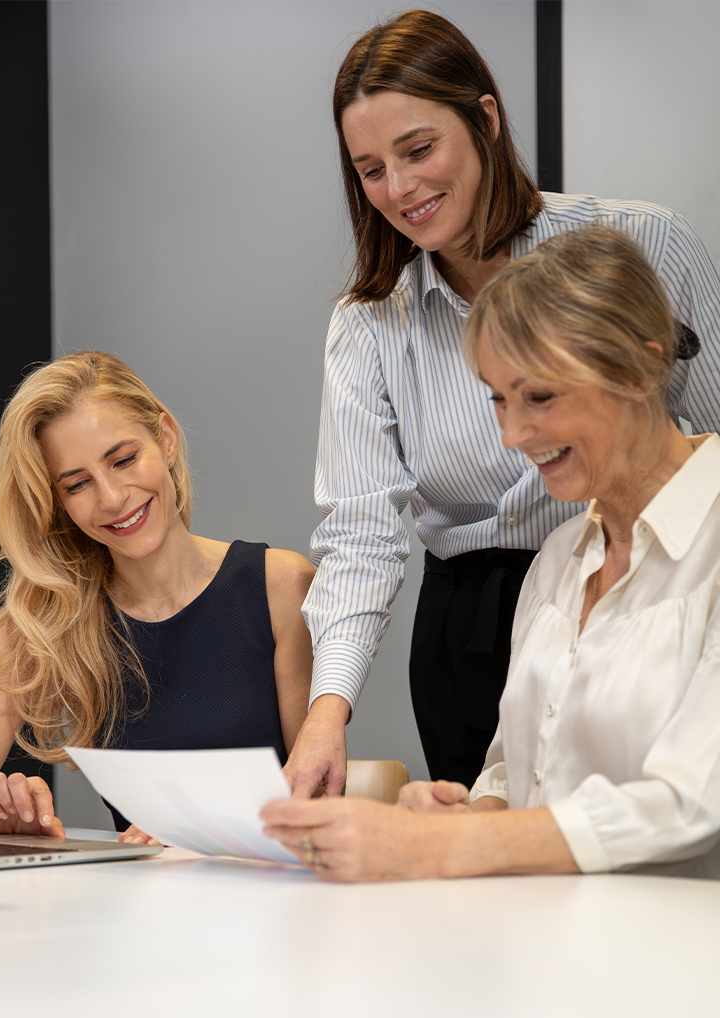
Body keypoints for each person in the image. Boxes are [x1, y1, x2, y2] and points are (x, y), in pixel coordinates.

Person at [284, 8, 720, 797]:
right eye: (371, 169)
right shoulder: (371, 321)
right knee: (487, 828)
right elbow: (362, 535)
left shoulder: (641, 245)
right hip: (473, 624)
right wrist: (326, 712)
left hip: (643, 589)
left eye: (418, 150)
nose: (400, 187)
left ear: (484, 119)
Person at [262, 224, 720, 881]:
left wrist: (445, 848)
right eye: (499, 401)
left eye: (539, 398)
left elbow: (689, 801)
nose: (511, 435)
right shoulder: (560, 560)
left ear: (642, 367)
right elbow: (514, 763)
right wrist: (469, 814)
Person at [0, 351, 314, 843]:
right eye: (78, 484)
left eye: (123, 460)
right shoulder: (46, 620)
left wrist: (201, 821)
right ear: (58, 502)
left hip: (275, 898)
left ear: (165, 438)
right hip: (133, 907)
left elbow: (317, 799)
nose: (112, 498)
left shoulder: (281, 585)